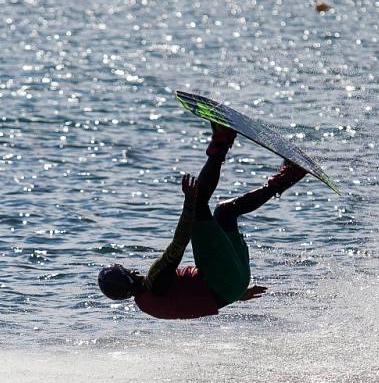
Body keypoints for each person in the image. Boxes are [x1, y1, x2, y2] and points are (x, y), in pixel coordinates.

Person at [97, 122, 308, 319]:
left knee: (225, 213)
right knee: (199, 204)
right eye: (127, 270)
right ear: (127, 276)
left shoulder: (149, 302)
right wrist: (190, 202)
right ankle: (221, 143)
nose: (131, 269)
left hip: (234, 284)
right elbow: (179, 243)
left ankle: (287, 177)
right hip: (224, 280)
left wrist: (237, 294)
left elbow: (193, 300)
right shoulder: (155, 280)